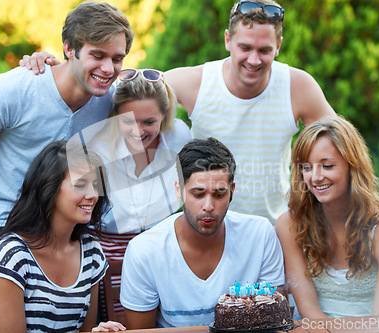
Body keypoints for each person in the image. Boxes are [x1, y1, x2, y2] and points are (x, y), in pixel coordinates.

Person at [20, 0, 336, 224]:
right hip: (210, 226)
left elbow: (340, 144)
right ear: (228, 40)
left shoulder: (298, 85)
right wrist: (60, 68)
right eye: (245, 48)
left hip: (276, 227)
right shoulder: (194, 82)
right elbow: (128, 89)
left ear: (278, 47)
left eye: (264, 50)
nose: (254, 59)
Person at [0, 0, 133, 295]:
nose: (108, 69)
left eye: (117, 58)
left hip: (65, 230)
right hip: (0, 227)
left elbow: (159, 95)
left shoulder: (112, 99)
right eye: (97, 55)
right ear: (69, 48)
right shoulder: (8, 92)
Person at [119, 137, 286, 329]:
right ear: (178, 190)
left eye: (219, 194)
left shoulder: (260, 234)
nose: (208, 206)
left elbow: (275, 320)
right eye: (198, 194)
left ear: (232, 191)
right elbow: (142, 332)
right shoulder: (145, 250)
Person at [0, 140, 125, 332]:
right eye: (80, 184)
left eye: (96, 185)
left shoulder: (91, 252)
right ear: (49, 188)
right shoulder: (13, 255)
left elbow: (84, 331)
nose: (93, 194)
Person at [274, 116, 379, 319]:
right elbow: (309, 311)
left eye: (327, 166)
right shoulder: (290, 224)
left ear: (352, 167)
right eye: (307, 167)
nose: (315, 177)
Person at [85, 68, 191, 317]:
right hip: (106, 250)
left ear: (164, 116)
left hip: (158, 248)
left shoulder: (179, 137)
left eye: (149, 122)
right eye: (128, 120)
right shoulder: (98, 145)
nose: (138, 131)